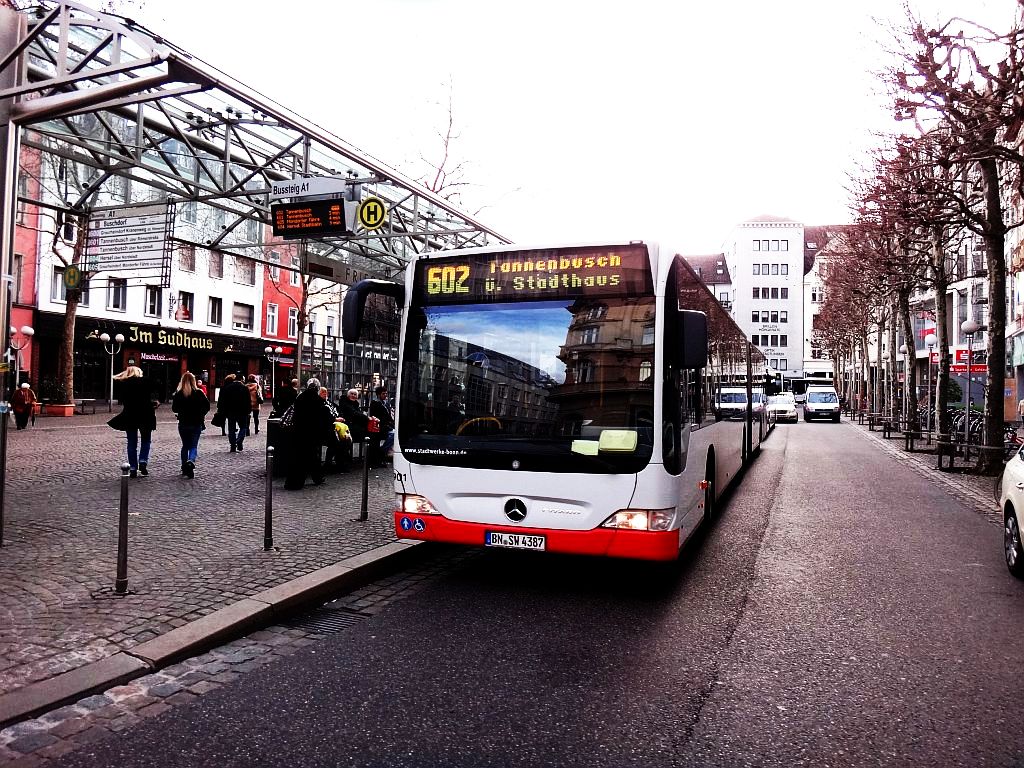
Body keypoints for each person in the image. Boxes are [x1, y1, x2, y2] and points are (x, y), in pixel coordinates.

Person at [107, 366, 157, 478]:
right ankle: (143, 461)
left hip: (130, 415)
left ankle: (133, 467)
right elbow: (155, 391)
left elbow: (122, 399)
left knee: (131, 443)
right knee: (146, 440)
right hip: (146, 414)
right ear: (139, 372)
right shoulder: (146, 381)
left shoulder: (124, 384)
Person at [284, 378, 333, 490]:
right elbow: (323, 419)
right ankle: (314, 478)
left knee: (298, 458)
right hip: (311, 433)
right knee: (311, 456)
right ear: (317, 388)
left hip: (298, 432)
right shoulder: (318, 400)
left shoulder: (300, 398)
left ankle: (293, 482)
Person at [171, 371, 210, 479]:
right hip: (196, 423)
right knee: (193, 446)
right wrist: (200, 414)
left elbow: (174, 408)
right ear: (194, 381)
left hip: (183, 423)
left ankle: (184, 466)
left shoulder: (179, 394)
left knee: (185, 446)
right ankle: (190, 461)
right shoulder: (199, 393)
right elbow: (207, 406)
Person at [319, 386, 352, 472]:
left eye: (326, 392)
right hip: (325, 428)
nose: (325, 394)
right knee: (336, 441)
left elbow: (338, 410)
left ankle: (340, 463)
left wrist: (340, 417)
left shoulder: (329, 402)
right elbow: (323, 417)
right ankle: (335, 464)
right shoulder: (320, 404)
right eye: (323, 392)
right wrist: (335, 419)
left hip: (335, 427)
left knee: (345, 439)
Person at [216, 373, 251, 452]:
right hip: (242, 411)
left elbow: (223, 401)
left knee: (231, 429)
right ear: (241, 379)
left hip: (231, 412)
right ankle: (239, 440)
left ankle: (232, 445)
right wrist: (248, 411)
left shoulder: (228, 388)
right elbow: (248, 401)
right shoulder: (244, 388)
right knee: (243, 427)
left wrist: (223, 411)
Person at [369, 385, 395, 465]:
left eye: (386, 393)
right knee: (393, 434)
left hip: (387, 425)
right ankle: (382, 452)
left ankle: (383, 452)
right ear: (379, 395)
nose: (385, 395)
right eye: (383, 394)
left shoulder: (386, 403)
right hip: (380, 426)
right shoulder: (375, 403)